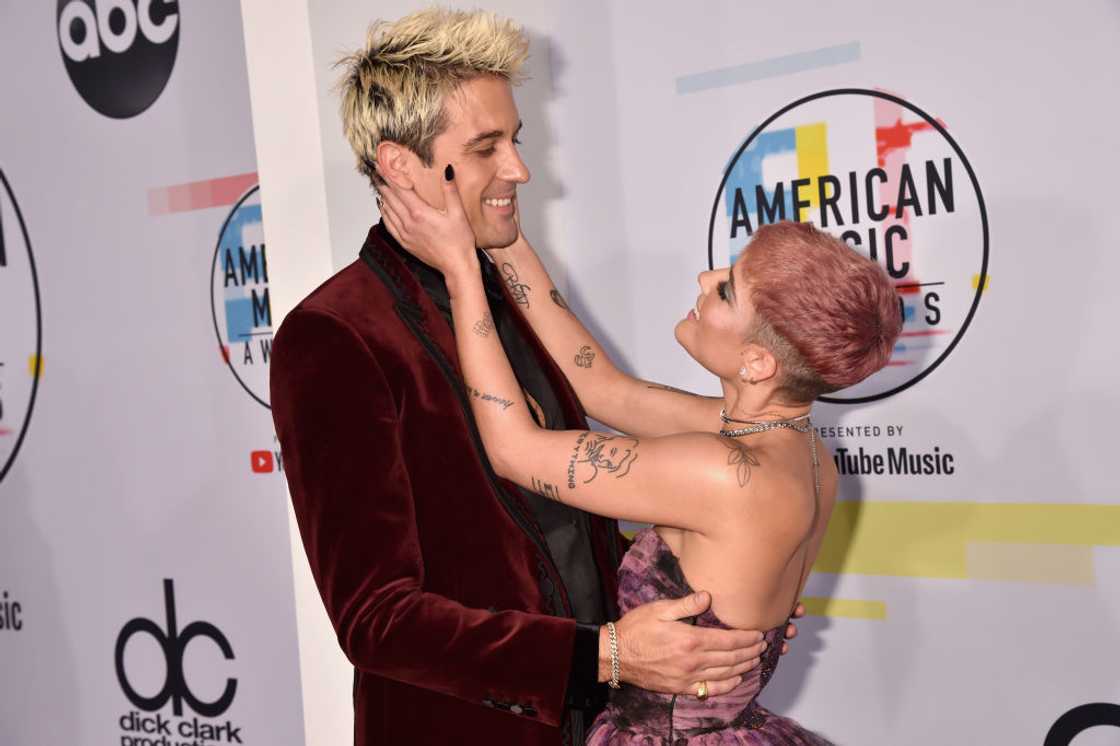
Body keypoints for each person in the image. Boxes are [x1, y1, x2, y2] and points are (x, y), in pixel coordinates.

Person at [269, 9, 800, 745]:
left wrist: (714, 601)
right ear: (398, 165)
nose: (519, 169)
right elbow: (377, 619)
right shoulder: (333, 337)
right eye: (486, 148)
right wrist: (604, 656)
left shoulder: (506, 298)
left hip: (604, 720)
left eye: (514, 140)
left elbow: (569, 529)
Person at [378, 165, 901, 742]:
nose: (704, 278)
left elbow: (515, 450)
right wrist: (503, 232)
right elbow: (601, 387)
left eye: (726, 289)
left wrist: (461, 274)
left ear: (758, 362)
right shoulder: (800, 452)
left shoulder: (726, 474)